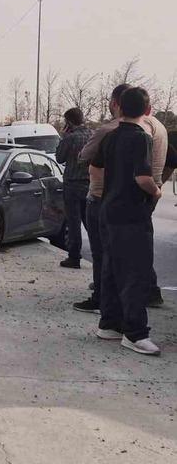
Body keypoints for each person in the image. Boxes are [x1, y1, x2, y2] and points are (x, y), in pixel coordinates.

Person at [74, 84, 166, 312]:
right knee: (138, 253)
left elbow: (88, 160)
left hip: (112, 198)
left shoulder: (115, 132)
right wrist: (159, 185)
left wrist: (151, 187)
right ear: (147, 108)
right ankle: (149, 292)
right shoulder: (158, 127)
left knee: (106, 254)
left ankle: (106, 305)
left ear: (117, 104)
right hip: (142, 200)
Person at [90, 87, 161, 356]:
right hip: (131, 214)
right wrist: (157, 191)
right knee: (135, 272)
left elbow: (94, 168)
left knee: (111, 268)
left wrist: (105, 190)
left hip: (108, 210)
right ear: (148, 110)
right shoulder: (141, 138)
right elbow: (142, 178)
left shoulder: (110, 136)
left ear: (118, 107)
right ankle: (135, 333)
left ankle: (109, 324)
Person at [55, 107, 93, 269]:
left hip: (72, 184)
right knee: (91, 223)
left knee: (73, 223)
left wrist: (63, 137)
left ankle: (74, 257)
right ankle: (99, 255)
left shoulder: (70, 138)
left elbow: (59, 157)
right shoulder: (93, 135)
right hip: (90, 184)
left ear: (69, 122)